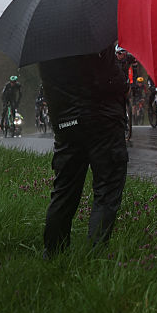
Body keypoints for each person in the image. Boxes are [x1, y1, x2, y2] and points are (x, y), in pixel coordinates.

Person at [38, 47, 129, 258]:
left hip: (66, 125)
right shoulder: (94, 40)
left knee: (64, 190)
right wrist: (123, 82)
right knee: (107, 189)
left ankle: (53, 253)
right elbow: (113, 82)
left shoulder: (43, 46)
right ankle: (95, 256)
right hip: (102, 121)